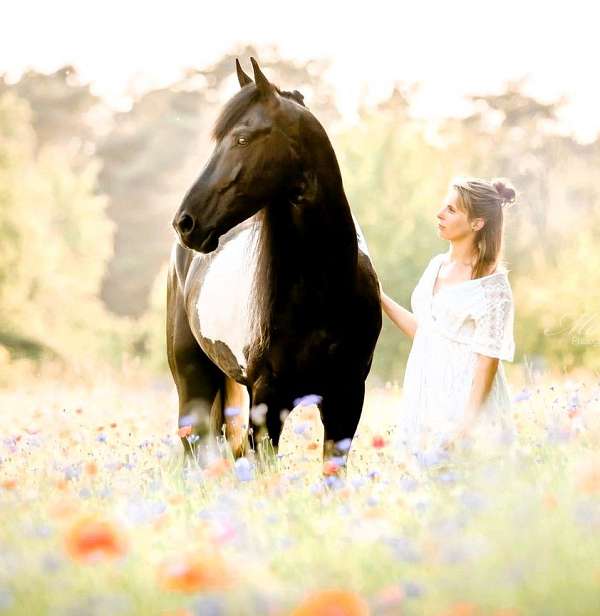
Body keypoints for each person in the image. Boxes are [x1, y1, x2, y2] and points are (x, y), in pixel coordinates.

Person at [380, 177, 517, 459]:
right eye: (444, 206)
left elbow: (487, 362)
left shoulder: (492, 286)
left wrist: (466, 426)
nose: (440, 214)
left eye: (452, 210)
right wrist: (379, 296)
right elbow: (426, 333)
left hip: (464, 403)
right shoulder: (436, 266)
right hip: (427, 394)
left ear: (477, 223)